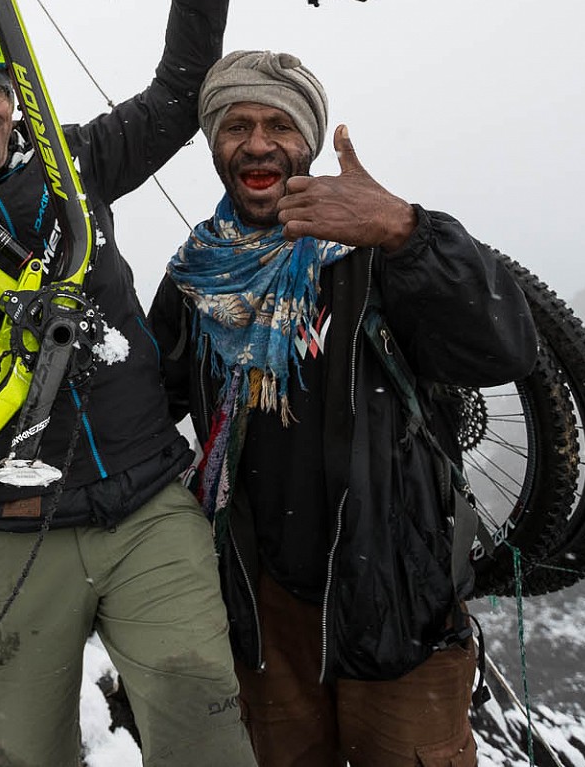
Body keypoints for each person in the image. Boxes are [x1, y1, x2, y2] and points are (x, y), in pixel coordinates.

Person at [0, 0, 257, 767]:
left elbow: (177, 94)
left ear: (16, 97)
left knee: (203, 717)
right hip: (13, 529)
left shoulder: (75, 161)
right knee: (27, 750)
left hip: (146, 503)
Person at [150, 50, 539, 767]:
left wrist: (406, 228)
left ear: (308, 142)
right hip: (268, 621)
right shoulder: (195, 277)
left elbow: (507, 345)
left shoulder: (376, 254)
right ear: (215, 147)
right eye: (237, 124)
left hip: (400, 609)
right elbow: (146, 404)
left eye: (278, 125)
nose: (259, 142)